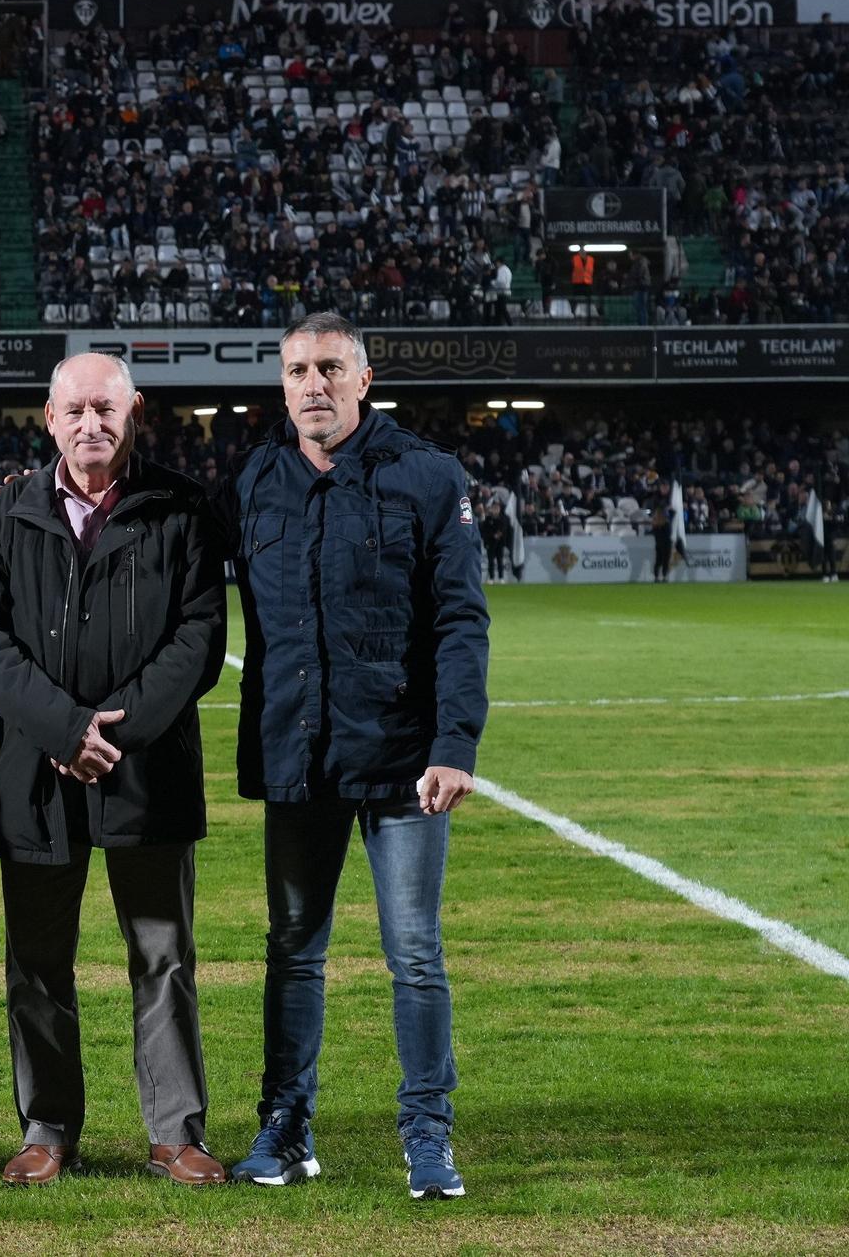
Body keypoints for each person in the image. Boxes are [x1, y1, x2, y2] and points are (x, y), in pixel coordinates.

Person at [220, 311, 488, 1199]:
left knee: (414, 952)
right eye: (297, 370)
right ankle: (287, 1127)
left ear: (364, 380)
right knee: (292, 948)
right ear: (282, 385)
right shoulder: (257, 478)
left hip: (406, 761)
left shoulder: (426, 474)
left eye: (330, 368)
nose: (313, 385)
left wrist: (455, 742)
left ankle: (427, 1135)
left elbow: (460, 619)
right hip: (298, 755)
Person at [0, 353, 228, 1188]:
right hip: (37, 773)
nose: (90, 424)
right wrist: (63, 727)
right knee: (37, 961)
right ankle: (48, 1127)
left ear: (133, 410)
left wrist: (113, 731)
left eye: (105, 409)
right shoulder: (7, 510)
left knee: (163, 956)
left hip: (146, 768)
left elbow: (199, 639)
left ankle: (174, 1131)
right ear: (49, 418)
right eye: (74, 410)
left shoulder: (181, 505)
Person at [651, 501, 673, 582]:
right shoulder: (666, 524)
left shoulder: (655, 524)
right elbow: (669, 534)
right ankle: (664, 576)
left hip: (658, 544)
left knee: (658, 561)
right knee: (665, 561)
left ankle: (656, 577)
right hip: (666, 544)